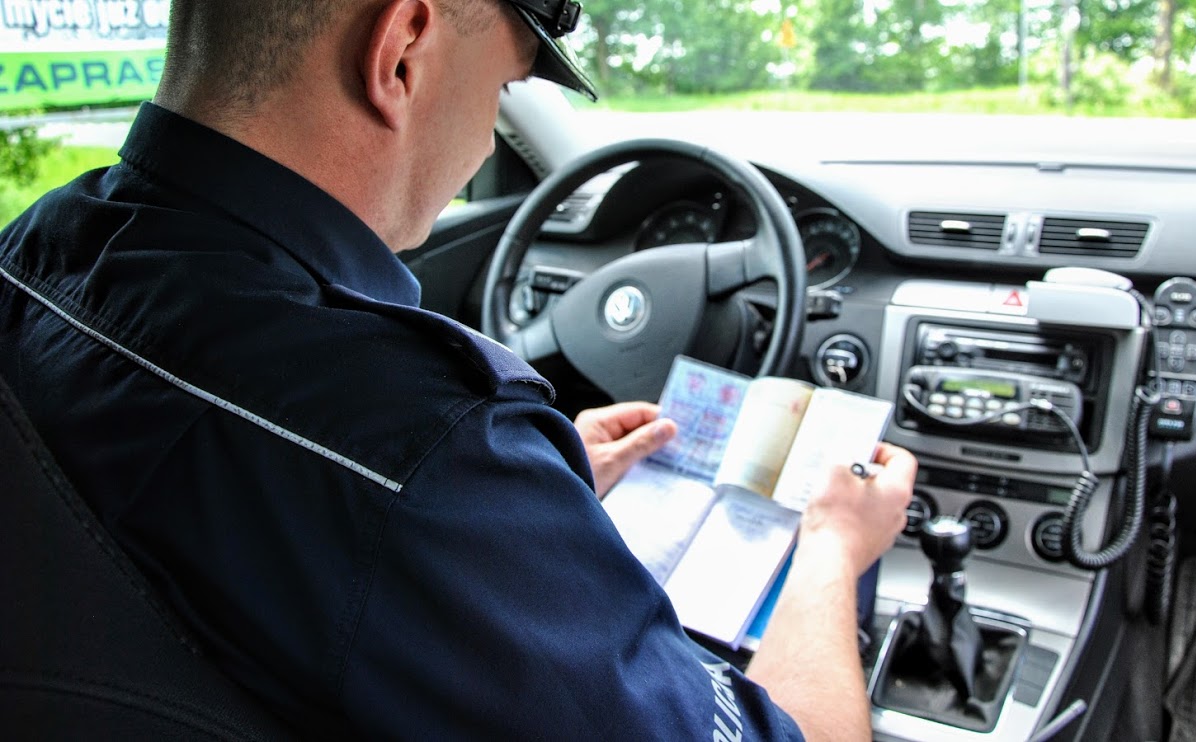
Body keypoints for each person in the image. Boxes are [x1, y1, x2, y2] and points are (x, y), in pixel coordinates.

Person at [0, 0, 916, 738]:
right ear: (400, 51)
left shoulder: (32, 252)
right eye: (504, 88)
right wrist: (833, 545)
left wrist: (531, 497)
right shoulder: (419, 449)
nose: (486, 145)